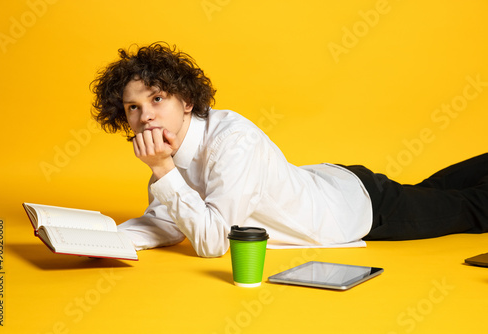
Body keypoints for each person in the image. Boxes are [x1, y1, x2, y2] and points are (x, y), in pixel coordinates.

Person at [90, 42, 488, 257]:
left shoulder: (231, 142)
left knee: (471, 207)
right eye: (133, 108)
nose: (146, 117)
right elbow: (169, 222)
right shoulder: (168, 153)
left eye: (157, 99)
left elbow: (212, 242)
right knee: (435, 193)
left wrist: (162, 169)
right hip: (330, 182)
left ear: (187, 102)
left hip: (361, 210)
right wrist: (104, 239)